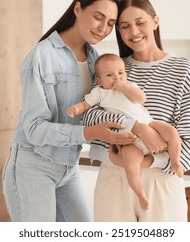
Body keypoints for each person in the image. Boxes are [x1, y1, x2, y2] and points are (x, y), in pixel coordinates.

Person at [1, 0, 138, 222]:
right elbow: (34, 129)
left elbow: (100, 106)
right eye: (98, 17)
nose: (103, 28)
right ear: (77, 9)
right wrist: (89, 132)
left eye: (110, 23)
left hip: (69, 166)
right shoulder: (42, 55)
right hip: (33, 165)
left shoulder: (95, 58)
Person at [83, 0, 190, 222]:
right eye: (125, 26)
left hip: (161, 180)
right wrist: (137, 128)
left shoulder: (183, 70)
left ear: (155, 22)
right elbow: (89, 117)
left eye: (140, 22)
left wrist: (144, 162)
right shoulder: (114, 69)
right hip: (113, 177)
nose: (134, 32)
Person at [67, 53, 183, 210]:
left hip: (150, 124)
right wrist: (76, 108)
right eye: (110, 75)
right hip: (129, 139)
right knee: (131, 166)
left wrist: (124, 87)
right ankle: (141, 195)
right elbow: (86, 106)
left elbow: (141, 98)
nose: (117, 78)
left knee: (172, 132)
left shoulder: (130, 87)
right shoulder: (100, 92)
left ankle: (175, 162)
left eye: (120, 73)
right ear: (100, 81)